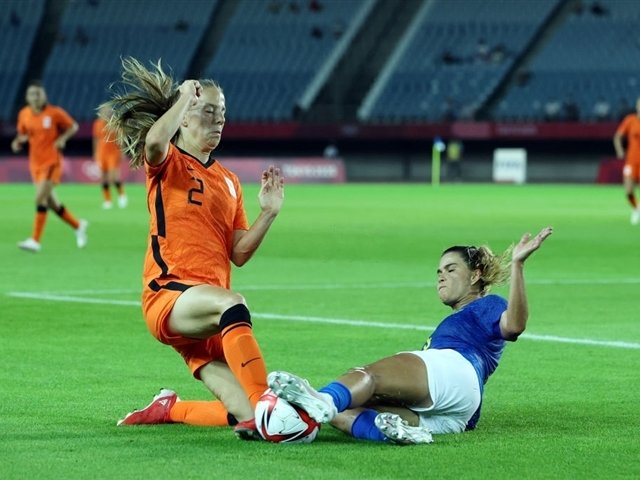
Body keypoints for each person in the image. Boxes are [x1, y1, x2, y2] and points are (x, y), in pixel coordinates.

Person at [105, 58, 284, 439]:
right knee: (234, 305)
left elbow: (239, 252)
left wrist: (268, 214)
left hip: (207, 312)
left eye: (223, 114)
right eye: (209, 111)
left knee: (244, 415)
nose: (218, 121)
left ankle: (171, 408)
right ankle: (268, 406)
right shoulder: (168, 161)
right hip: (169, 294)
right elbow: (154, 142)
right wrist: (185, 95)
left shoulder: (229, 181)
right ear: (184, 117)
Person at [268, 227, 553, 444]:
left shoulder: (486, 305)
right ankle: (398, 432)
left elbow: (513, 326)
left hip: (456, 372)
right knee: (346, 411)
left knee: (367, 376)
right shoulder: (459, 321)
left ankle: (323, 400)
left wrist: (517, 266)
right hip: (458, 415)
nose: (441, 276)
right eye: (438, 271)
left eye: (451, 269)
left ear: (475, 275)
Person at [11, 80, 88, 253]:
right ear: (27, 97)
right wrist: (17, 142)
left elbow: (73, 126)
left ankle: (35, 240)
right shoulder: (24, 114)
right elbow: (23, 133)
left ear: (44, 95)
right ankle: (78, 226)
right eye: (32, 94)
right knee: (52, 203)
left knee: (40, 199)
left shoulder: (54, 113)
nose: (35, 97)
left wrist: (62, 139)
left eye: (38, 94)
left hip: (51, 162)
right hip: (35, 164)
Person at [93, 104, 127, 209]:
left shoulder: (115, 124)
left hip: (113, 153)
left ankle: (122, 195)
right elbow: (96, 139)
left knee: (113, 177)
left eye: (108, 111)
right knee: (103, 178)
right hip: (101, 153)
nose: (106, 113)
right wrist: (95, 153)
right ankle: (107, 200)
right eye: (104, 111)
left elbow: (121, 139)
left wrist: (122, 152)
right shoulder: (97, 124)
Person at [613, 97, 640, 225]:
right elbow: (618, 136)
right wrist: (620, 150)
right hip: (631, 161)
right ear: (637, 106)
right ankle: (636, 208)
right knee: (628, 191)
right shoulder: (630, 120)